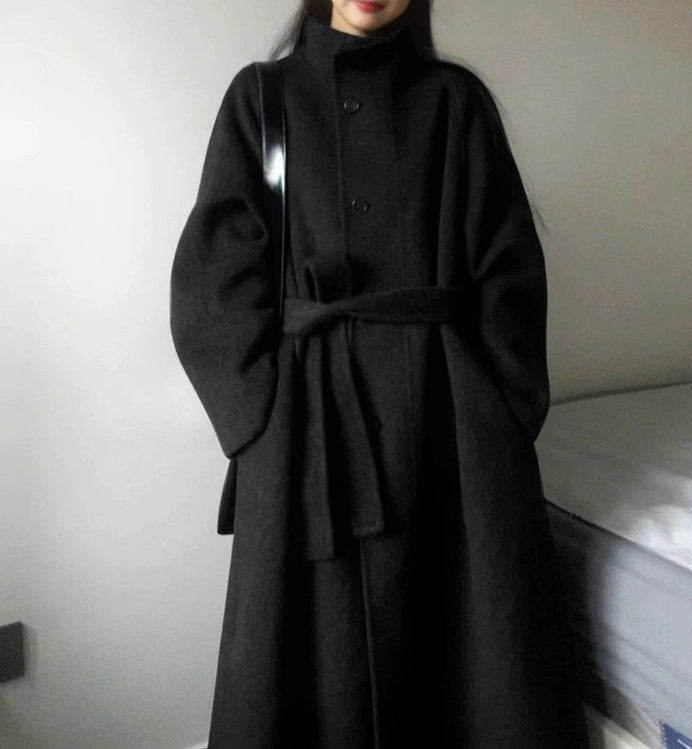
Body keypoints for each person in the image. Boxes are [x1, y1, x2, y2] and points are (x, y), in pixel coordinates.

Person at [170, 0, 591, 747]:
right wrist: (261, 421)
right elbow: (215, 279)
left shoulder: (456, 104)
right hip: (306, 449)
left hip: (453, 447)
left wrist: (501, 413)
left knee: (472, 677)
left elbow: (511, 272)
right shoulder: (262, 102)